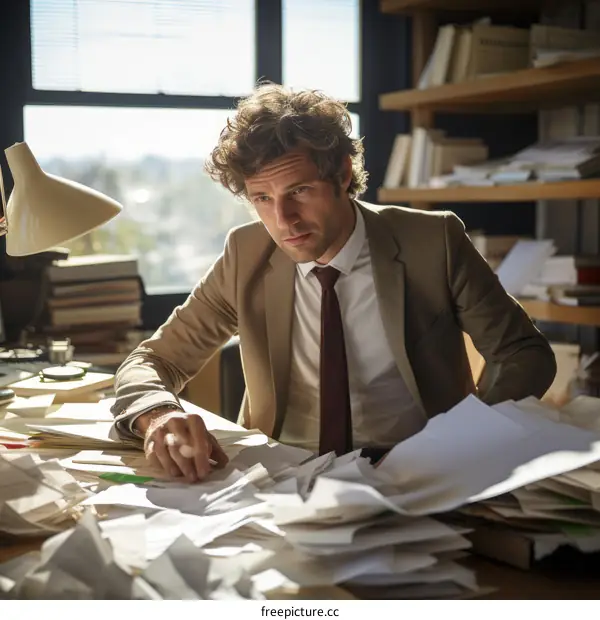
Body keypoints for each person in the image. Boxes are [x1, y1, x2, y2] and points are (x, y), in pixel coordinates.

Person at [110, 83, 557, 483]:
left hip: (418, 471)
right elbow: (152, 359)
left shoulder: (433, 241)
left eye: (299, 191)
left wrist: (459, 442)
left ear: (342, 175)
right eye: (262, 199)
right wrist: (158, 413)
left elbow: (524, 354)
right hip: (284, 472)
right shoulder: (245, 253)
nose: (283, 221)